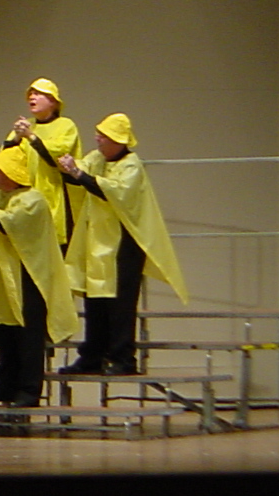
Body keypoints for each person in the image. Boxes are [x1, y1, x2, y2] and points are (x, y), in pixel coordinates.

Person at [59, 113, 188, 374]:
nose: (97, 139)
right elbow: (78, 174)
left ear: (118, 140)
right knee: (95, 303)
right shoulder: (97, 158)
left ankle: (123, 358)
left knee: (120, 305)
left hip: (123, 244)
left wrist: (78, 173)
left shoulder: (131, 165)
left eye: (103, 136)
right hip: (97, 244)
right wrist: (67, 167)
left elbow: (114, 192)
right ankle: (92, 356)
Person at [0, 145, 77, 415]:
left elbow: (9, 225)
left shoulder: (32, 200)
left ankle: (28, 389)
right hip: (3, 277)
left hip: (29, 277)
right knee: (5, 335)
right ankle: (4, 384)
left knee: (28, 337)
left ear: (11, 174)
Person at [0, 78, 81, 247]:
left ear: (52, 101)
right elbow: (6, 159)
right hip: (26, 196)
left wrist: (31, 136)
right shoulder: (27, 126)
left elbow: (57, 156)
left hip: (55, 193)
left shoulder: (65, 125)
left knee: (53, 244)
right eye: (30, 94)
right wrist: (16, 138)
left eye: (37, 94)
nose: (31, 97)